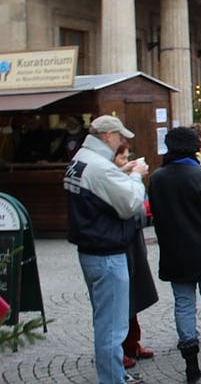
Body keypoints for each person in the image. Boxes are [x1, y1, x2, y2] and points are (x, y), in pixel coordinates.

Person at [64, 115, 147, 384]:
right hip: (108, 254)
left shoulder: (81, 159)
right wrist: (135, 176)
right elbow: (131, 203)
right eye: (120, 137)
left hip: (90, 252)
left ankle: (113, 374)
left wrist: (120, 173)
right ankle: (112, 379)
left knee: (105, 321)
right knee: (112, 327)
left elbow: (97, 186)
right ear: (108, 136)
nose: (122, 142)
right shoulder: (100, 166)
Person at [149, 127, 201, 383]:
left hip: (176, 251)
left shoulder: (158, 178)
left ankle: (191, 365)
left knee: (183, 305)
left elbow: (156, 215)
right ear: (195, 147)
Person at [112, 142, 157, 370]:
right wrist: (134, 178)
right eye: (122, 158)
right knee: (121, 299)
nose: (127, 162)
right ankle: (118, 349)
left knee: (134, 293)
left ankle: (132, 343)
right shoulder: (114, 182)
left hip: (133, 241)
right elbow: (133, 208)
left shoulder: (123, 179)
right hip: (120, 244)